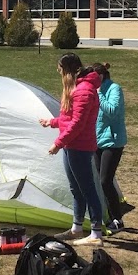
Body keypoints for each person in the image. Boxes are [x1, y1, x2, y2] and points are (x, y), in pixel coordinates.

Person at [39, 53, 104, 247]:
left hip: (79, 146)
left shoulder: (83, 91)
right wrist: (51, 122)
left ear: (67, 69)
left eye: (60, 69)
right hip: (71, 145)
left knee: (88, 189)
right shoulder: (76, 89)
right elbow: (69, 118)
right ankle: (77, 228)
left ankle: (95, 233)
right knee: (76, 189)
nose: (58, 72)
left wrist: (57, 143)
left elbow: (78, 124)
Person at [91, 62, 128, 236]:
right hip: (97, 141)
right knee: (100, 180)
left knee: (106, 180)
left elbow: (112, 111)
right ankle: (110, 217)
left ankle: (118, 219)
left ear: (101, 76)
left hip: (113, 142)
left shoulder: (114, 89)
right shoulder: (93, 90)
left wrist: (98, 94)